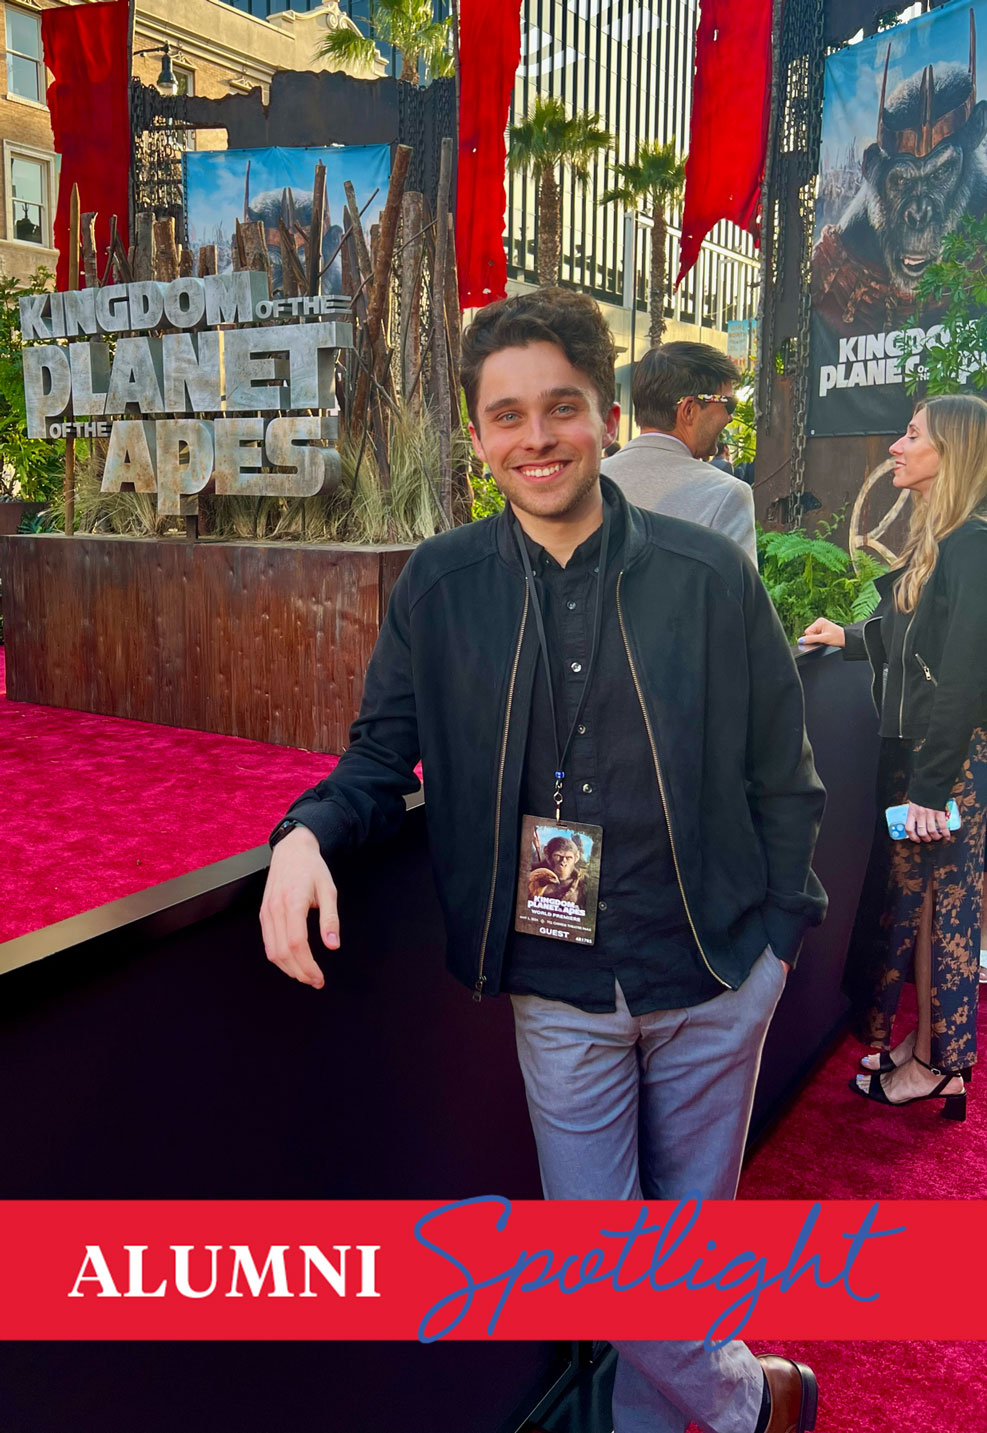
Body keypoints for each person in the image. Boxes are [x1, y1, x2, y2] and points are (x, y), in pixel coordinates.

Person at [261, 288, 826, 1433]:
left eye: (560, 408)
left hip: (716, 971)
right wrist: (305, 833)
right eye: (507, 415)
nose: (536, 438)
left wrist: (776, 941)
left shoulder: (707, 574)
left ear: (607, 416)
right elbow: (382, 754)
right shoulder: (443, 584)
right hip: (559, 986)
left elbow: (786, 771)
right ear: (477, 436)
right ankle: (749, 1399)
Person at [801, 394, 987, 1118]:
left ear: (952, 451)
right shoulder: (947, 541)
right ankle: (929, 1049)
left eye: (912, 435)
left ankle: (944, 1064)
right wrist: (846, 637)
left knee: (946, 908)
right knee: (921, 904)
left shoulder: (972, 545)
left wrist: (932, 788)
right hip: (925, 761)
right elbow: (917, 646)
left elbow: (966, 678)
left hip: (949, 765)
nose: (894, 448)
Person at [602, 341, 757, 563]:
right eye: (728, 405)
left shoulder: (592, 480)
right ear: (689, 409)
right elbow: (738, 595)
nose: (729, 417)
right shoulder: (727, 495)